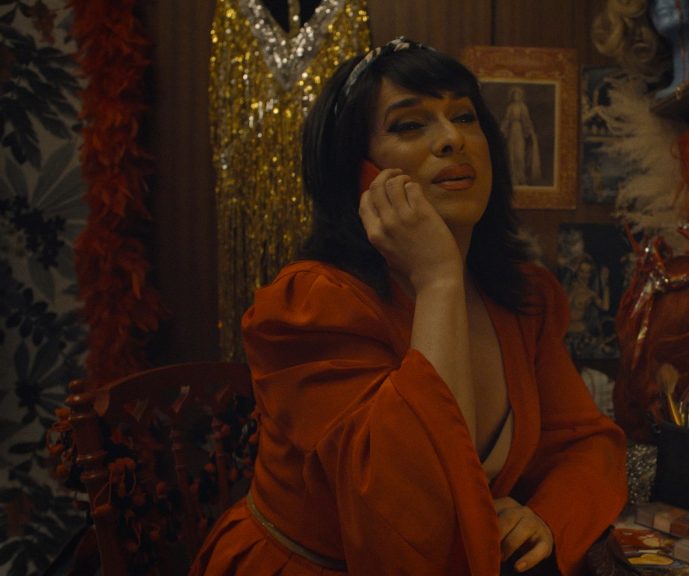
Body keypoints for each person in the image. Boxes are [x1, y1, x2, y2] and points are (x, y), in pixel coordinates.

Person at [190, 38, 627, 576]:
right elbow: (404, 521)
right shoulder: (309, 306)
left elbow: (587, 444)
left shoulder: (523, 297)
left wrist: (548, 517)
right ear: (360, 171)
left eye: (464, 117)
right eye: (410, 125)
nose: (452, 139)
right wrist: (438, 279)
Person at [501, 85, 543, 186]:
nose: (516, 97)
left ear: (521, 96)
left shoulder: (523, 107)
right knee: (511, 153)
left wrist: (529, 131)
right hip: (512, 131)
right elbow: (506, 120)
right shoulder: (510, 107)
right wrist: (502, 130)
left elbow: (526, 120)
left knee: (519, 154)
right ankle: (513, 178)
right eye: (514, 95)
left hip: (519, 130)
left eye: (518, 95)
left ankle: (521, 177)